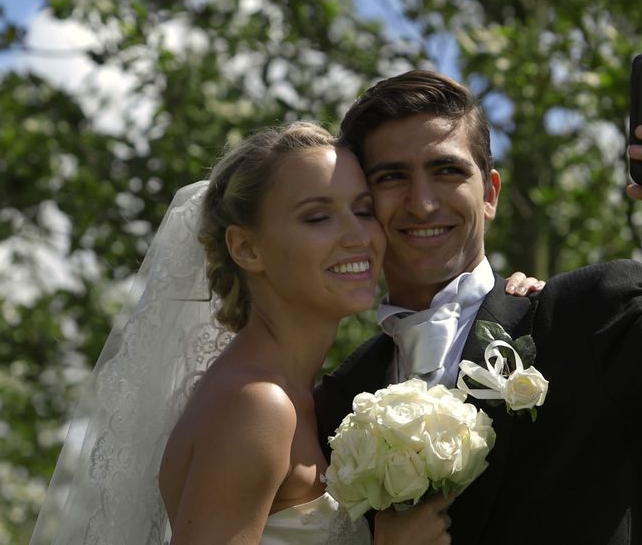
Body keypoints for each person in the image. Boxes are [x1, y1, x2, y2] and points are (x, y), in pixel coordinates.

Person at [314, 70, 642, 544]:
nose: (423, 202)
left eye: (447, 171)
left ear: (491, 194)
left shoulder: (586, 315)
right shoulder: (339, 398)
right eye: (392, 177)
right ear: (365, 205)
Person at [31, 121, 538, 544]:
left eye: (363, 210)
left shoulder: (312, 399)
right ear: (248, 249)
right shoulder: (257, 407)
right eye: (318, 216)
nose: (358, 234)